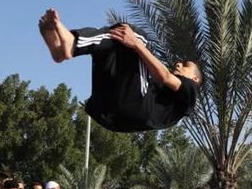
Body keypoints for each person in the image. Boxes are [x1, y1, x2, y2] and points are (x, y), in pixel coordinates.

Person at [39, 8, 202, 132]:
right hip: (108, 112)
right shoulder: (161, 93)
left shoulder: (191, 89)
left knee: (134, 34)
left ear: (194, 79)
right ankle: (61, 50)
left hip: (136, 107)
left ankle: (73, 44)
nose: (179, 65)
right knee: (108, 49)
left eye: (186, 66)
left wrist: (136, 44)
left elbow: (165, 76)